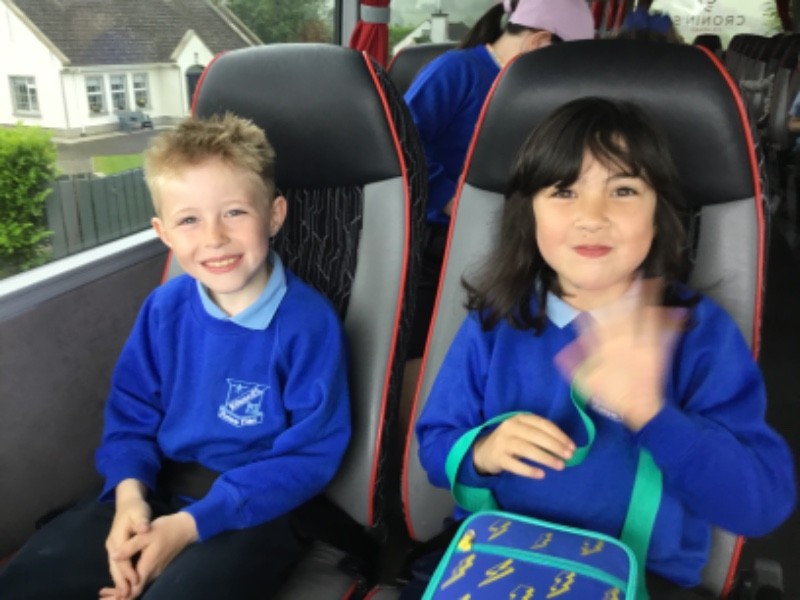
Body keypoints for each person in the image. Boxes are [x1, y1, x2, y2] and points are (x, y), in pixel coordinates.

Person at [411, 97, 796, 599]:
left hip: (643, 578)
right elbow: (435, 445)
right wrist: (482, 451)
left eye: (624, 190)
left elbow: (759, 505)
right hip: (495, 559)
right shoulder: (493, 322)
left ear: (659, 214)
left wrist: (654, 416)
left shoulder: (698, 335)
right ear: (529, 214)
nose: (592, 216)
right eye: (564, 191)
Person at [0, 114, 352, 599]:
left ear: (274, 215)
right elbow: (131, 417)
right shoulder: (164, 308)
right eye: (189, 220)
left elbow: (309, 455)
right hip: (158, 486)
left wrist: (188, 527)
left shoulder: (308, 324)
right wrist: (129, 497)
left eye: (234, 212)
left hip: (257, 506)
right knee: (26, 581)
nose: (214, 238)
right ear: (163, 232)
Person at [401, 0, 595, 438]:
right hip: (437, 240)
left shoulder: (536, 93)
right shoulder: (458, 71)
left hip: (508, 237)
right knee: (430, 344)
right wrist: (446, 197)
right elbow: (402, 141)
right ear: (540, 42)